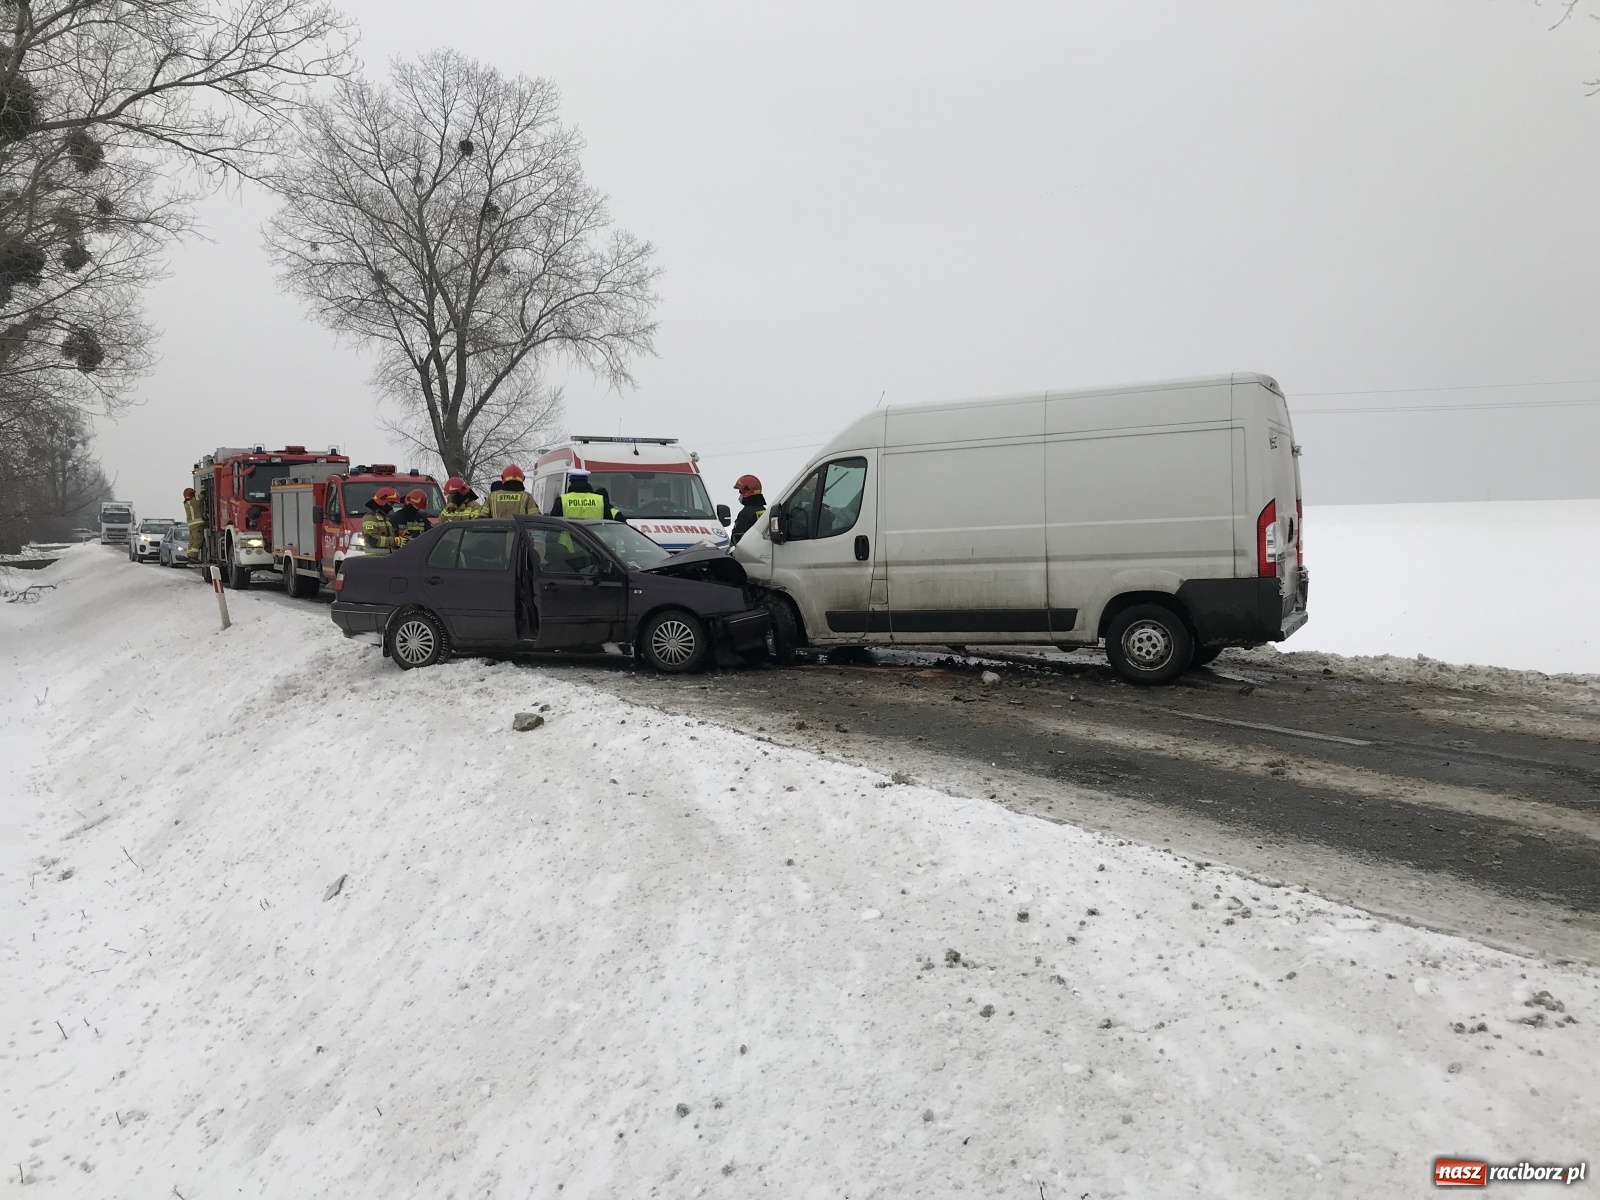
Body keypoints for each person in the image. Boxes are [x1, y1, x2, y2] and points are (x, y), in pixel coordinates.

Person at [551, 469, 618, 520]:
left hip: (568, 538)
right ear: (586, 481)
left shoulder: (562, 501)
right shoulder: (600, 500)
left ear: (571, 482)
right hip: (594, 538)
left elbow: (553, 525)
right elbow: (609, 524)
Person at [361, 486, 401, 556]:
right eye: (391, 503)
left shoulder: (387, 519)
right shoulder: (370, 518)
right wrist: (394, 541)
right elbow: (371, 539)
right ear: (382, 501)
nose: (392, 506)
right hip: (374, 560)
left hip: (387, 559)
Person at [730, 474, 766, 544]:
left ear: (746, 492)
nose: (740, 496)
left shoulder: (745, 514)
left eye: (740, 492)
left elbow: (737, 537)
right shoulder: (764, 510)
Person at [182, 486, 205, 562]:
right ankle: (193, 557)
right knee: (198, 540)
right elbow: (201, 496)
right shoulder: (194, 501)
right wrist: (203, 488)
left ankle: (189, 555)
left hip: (192, 525)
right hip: (197, 525)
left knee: (192, 541)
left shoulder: (187, 503)